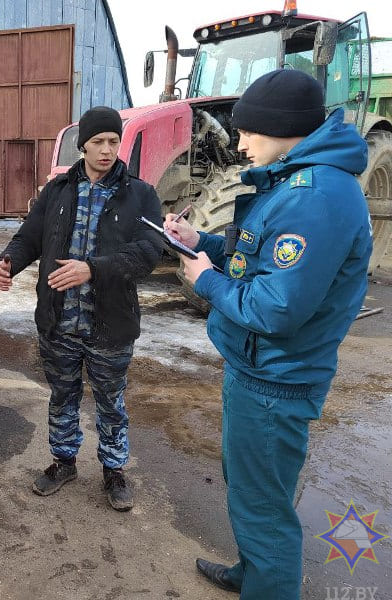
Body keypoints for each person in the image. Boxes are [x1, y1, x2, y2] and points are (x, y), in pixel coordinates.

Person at [164, 70, 373, 598]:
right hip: (258, 370)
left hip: (275, 380)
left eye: (248, 131)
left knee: (264, 507)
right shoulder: (296, 180)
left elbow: (278, 308)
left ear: (281, 129)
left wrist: (205, 281)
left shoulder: (316, 197)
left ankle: (268, 579)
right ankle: (253, 571)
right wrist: (203, 242)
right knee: (251, 492)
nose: (239, 143)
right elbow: (255, 255)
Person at [0, 105, 163, 511]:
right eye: (98, 142)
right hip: (59, 322)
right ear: (82, 144)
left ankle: (114, 470)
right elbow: (30, 236)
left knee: (110, 402)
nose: (107, 150)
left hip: (110, 325)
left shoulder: (140, 194)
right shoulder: (58, 191)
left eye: (113, 141)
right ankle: (63, 461)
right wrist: (8, 262)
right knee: (62, 397)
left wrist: (93, 269)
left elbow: (149, 252)